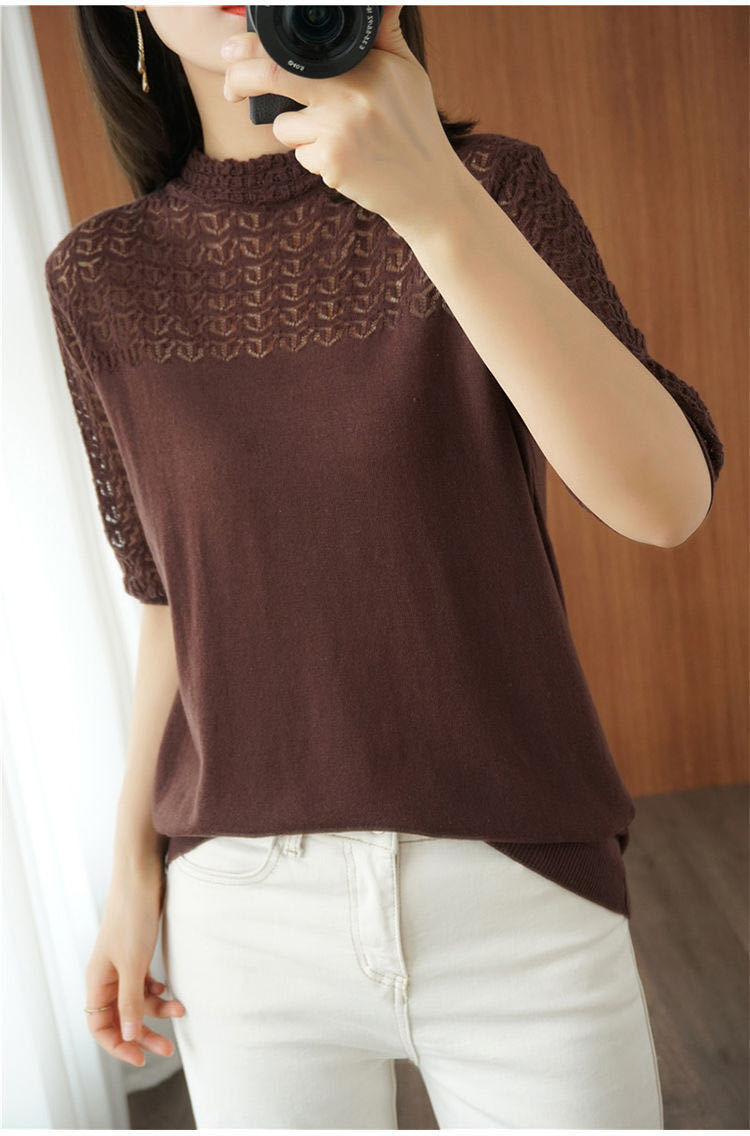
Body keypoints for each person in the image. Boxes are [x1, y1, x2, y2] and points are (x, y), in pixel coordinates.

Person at [45, 4, 724, 1128]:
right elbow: (171, 601)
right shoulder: (100, 279)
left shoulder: (493, 189)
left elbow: (666, 503)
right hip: (241, 919)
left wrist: (434, 202)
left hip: (520, 882)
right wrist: (131, 875)